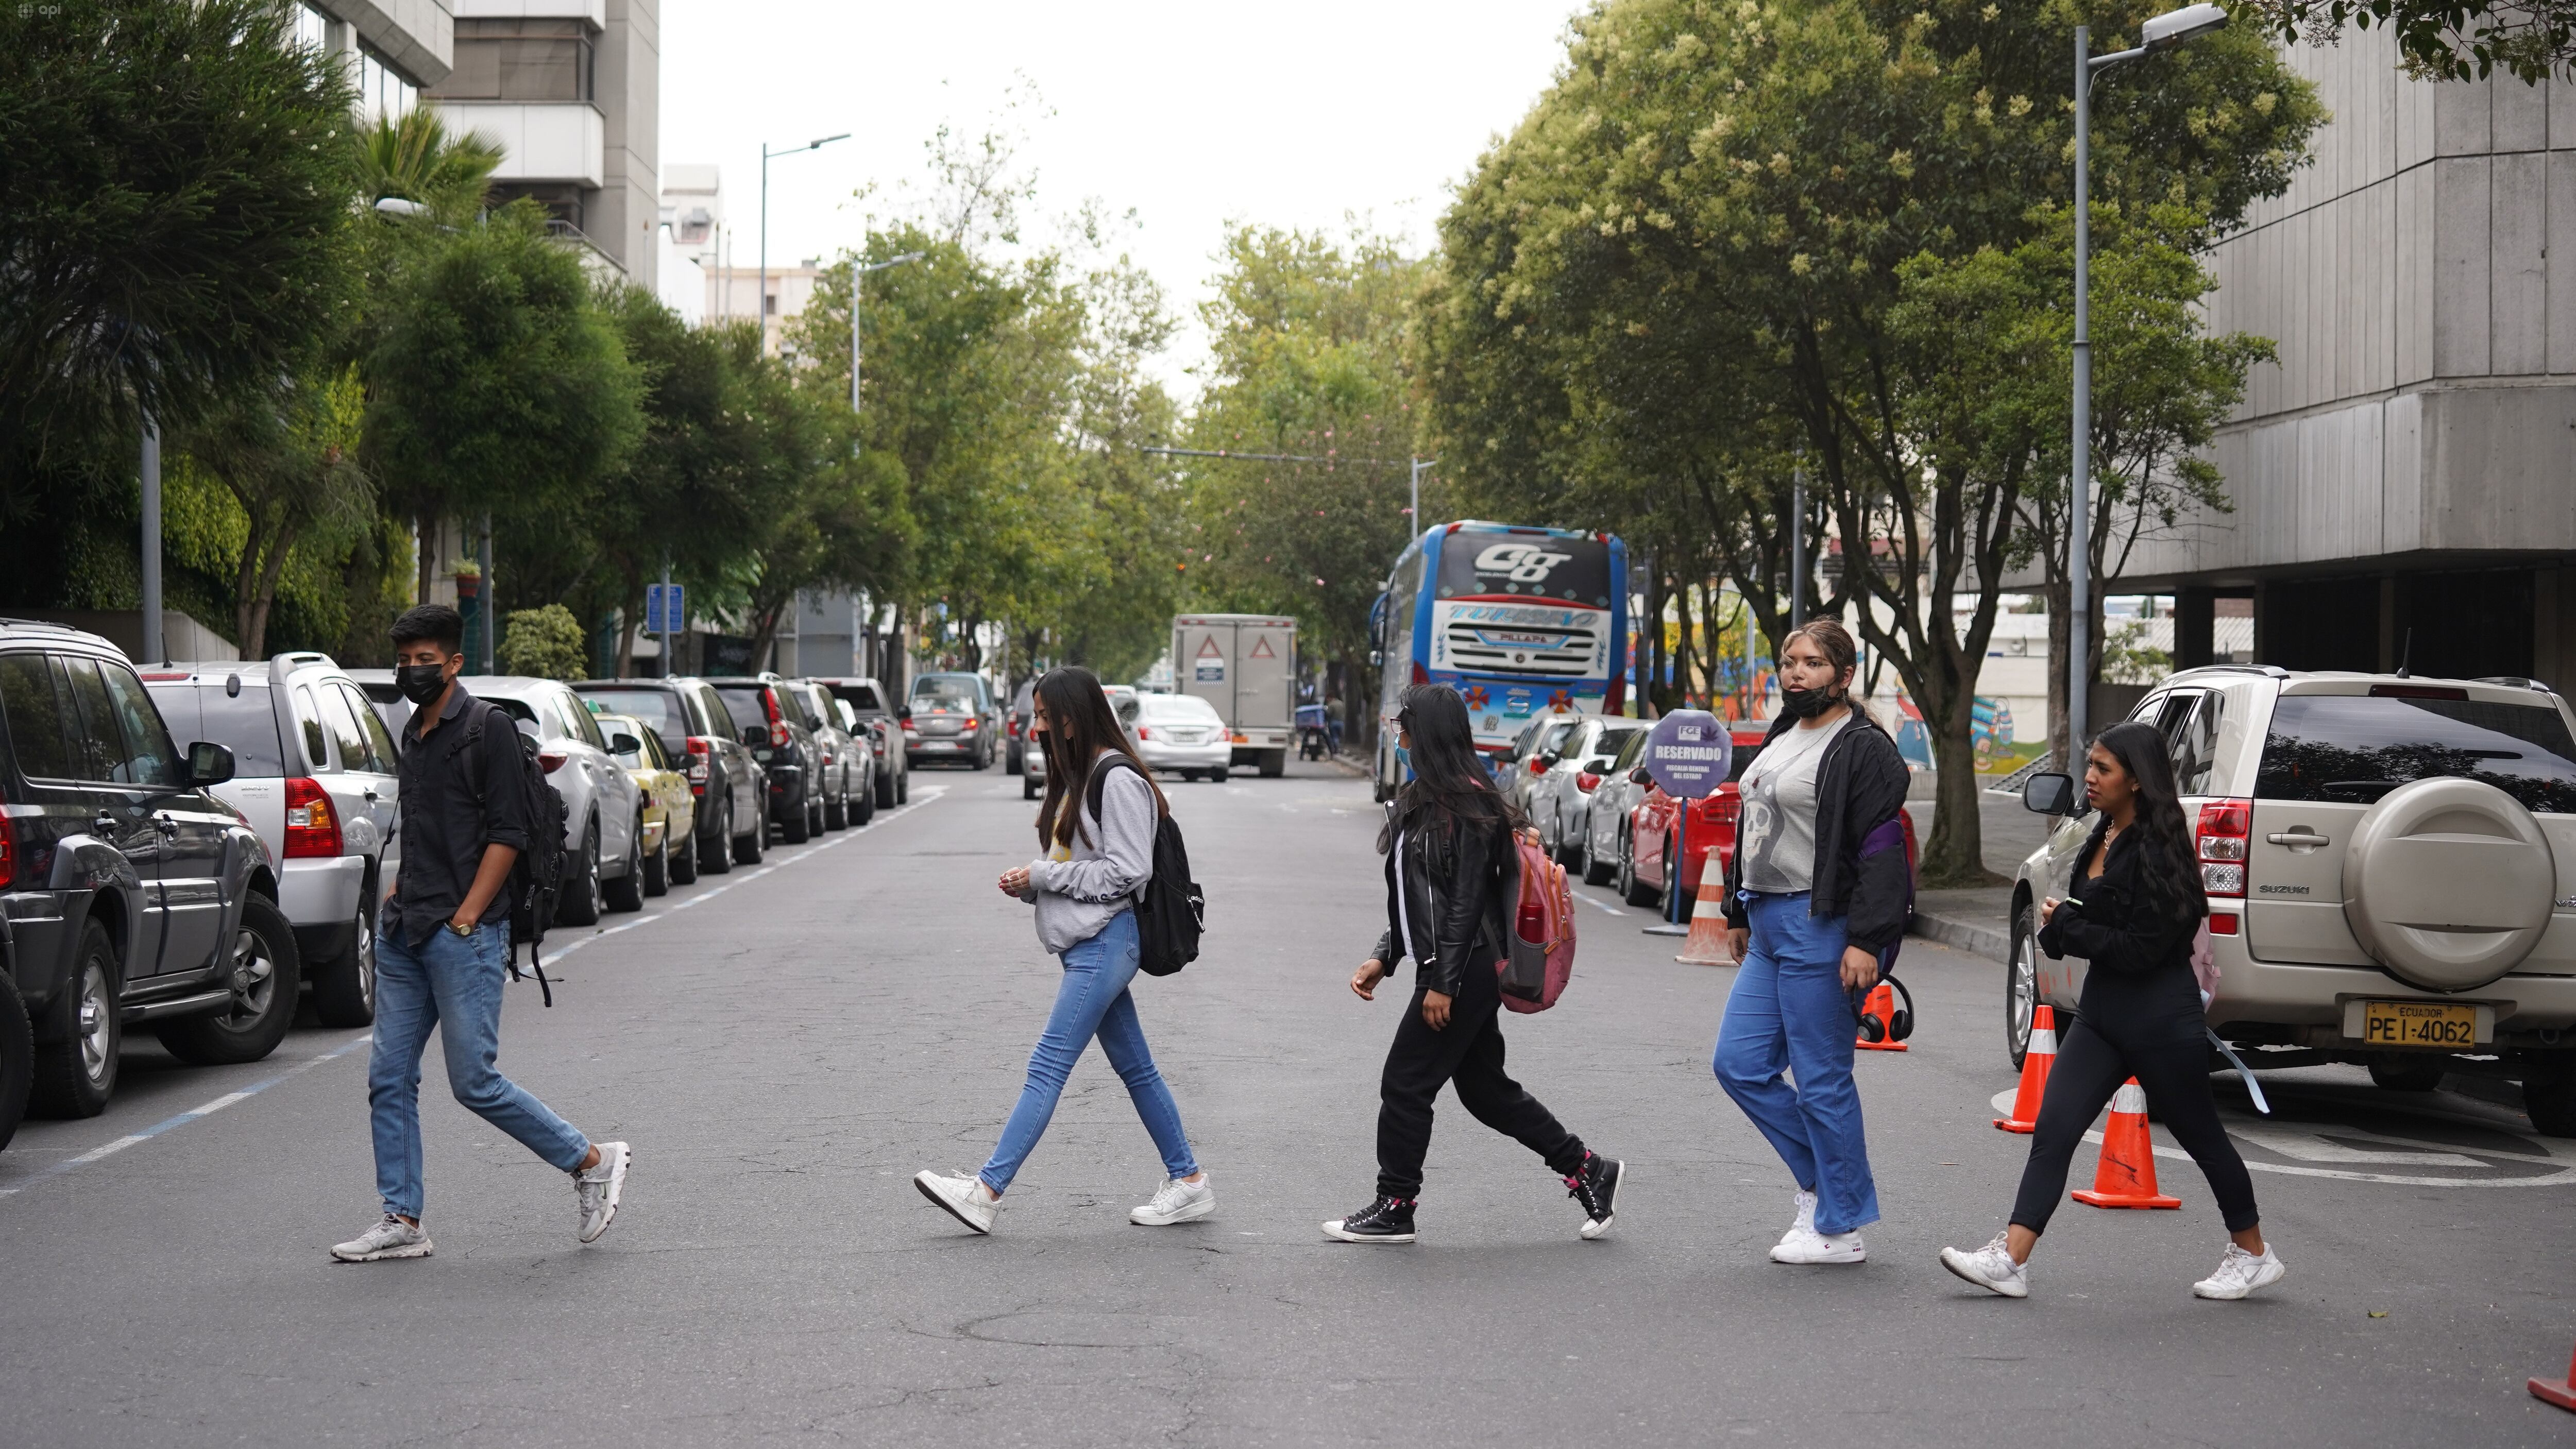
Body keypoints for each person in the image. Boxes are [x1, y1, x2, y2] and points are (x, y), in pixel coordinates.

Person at [1940, 722, 2284, 1300]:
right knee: (2052, 1129)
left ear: (2136, 779)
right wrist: (2059, 927)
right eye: (2091, 765)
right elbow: (2087, 914)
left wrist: (2069, 926)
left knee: (2202, 1137)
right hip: (2102, 1014)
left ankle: (2252, 1251)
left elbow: (2140, 948)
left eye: (2103, 768)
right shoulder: (2103, 832)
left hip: (2158, 1020)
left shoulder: (2160, 851)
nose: (2091, 777)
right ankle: (2011, 1259)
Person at [332, 604, 629, 1263]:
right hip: (406, 928)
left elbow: (507, 833)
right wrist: (400, 888)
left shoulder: (487, 729)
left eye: (424, 660)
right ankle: (402, 1217)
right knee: (389, 1077)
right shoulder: (415, 731)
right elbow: (428, 824)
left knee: (474, 1081)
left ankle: (590, 1159)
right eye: (404, 660)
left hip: (463, 933)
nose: (412, 669)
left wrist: (467, 913)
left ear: (454, 662)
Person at [914, 667, 1211, 1234]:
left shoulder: (1114, 779)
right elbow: (1087, 863)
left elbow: (1127, 870)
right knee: (1138, 1070)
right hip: (1089, 943)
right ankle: (1189, 1180)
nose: (1037, 727)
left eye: (1046, 716)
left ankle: (984, 1190)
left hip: (1106, 943)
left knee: (1047, 1065)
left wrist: (1045, 875)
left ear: (1073, 719)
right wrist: (1034, 883)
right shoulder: (1083, 776)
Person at [1326, 684, 1622, 1243]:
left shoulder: (1465, 805)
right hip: (1455, 963)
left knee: (1405, 1083)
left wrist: (1443, 981)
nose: (1398, 736)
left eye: (1403, 727)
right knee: (1486, 1091)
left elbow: (1464, 901)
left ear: (1427, 733)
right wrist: (1384, 954)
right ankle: (1588, 1169)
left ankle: (1395, 1205)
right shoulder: (1427, 799)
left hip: (1463, 967)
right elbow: (1421, 897)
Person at [1715, 617, 1910, 1266]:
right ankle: (1824, 1185)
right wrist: (1734, 908)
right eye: (1789, 661)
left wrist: (1866, 939)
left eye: (1812, 663)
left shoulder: (1863, 747)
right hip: (1767, 919)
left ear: (1844, 675)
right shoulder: (1780, 734)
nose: (1796, 672)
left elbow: (1883, 849)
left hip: (1819, 924)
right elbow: (1754, 823)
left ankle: (1839, 1225)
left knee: (1822, 1078)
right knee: (1738, 1064)